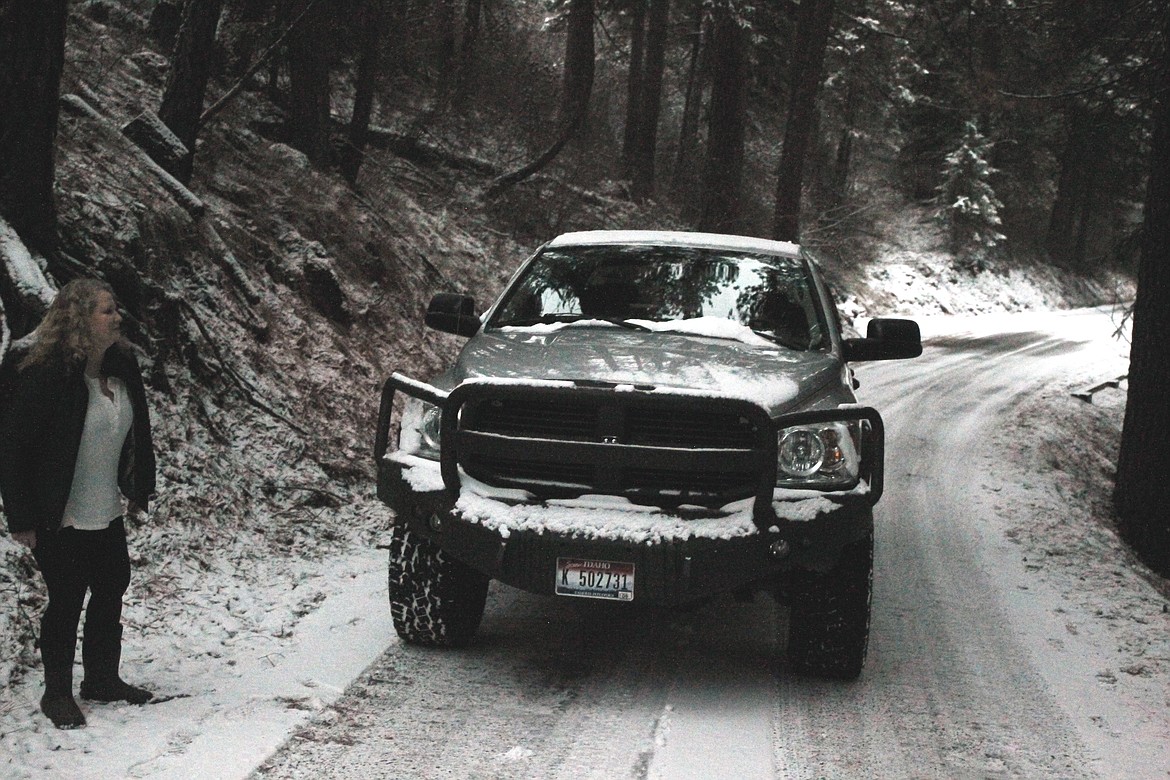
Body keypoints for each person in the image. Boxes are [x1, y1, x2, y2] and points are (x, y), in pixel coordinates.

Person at [0, 278, 156, 729]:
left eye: (114, 309)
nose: (116, 317)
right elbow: (12, 448)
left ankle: (102, 678)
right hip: (59, 511)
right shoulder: (46, 375)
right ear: (79, 319)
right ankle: (57, 693)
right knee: (66, 599)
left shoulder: (122, 365)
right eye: (106, 311)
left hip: (105, 506)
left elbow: (137, 434)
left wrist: (137, 487)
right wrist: (22, 517)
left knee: (111, 588)